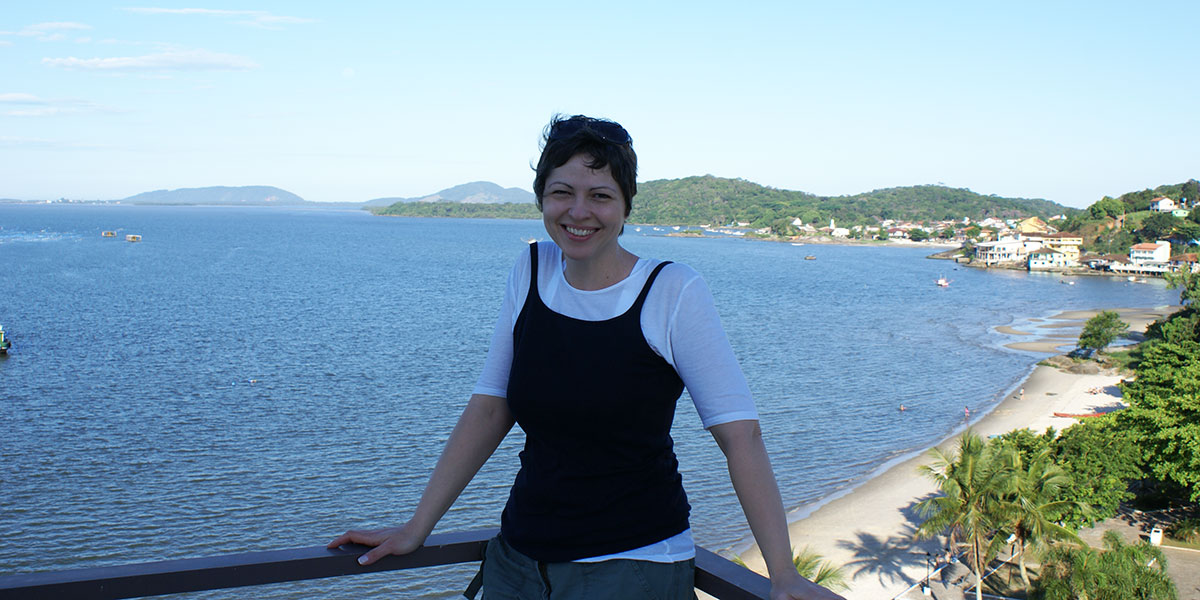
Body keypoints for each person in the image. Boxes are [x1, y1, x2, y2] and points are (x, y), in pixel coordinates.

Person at [328, 115, 842, 600]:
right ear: (541, 199)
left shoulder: (672, 290)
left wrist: (782, 574)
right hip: (518, 561)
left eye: (600, 196)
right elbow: (490, 408)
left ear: (625, 206)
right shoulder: (531, 268)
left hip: (633, 565)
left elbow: (740, 434)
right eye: (562, 193)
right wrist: (417, 527)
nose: (578, 212)